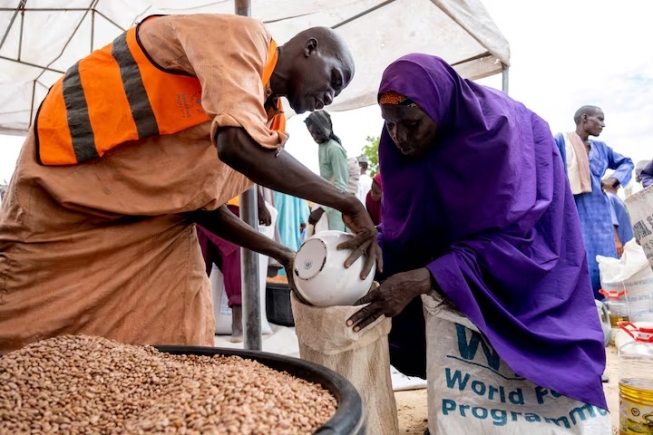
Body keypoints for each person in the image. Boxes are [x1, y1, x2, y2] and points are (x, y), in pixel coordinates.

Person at [0, 14, 380, 354]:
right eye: (334, 78)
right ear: (309, 48)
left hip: (151, 229)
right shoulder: (242, 39)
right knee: (30, 329)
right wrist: (348, 202)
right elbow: (236, 145)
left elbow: (203, 208)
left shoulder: (270, 125)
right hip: (65, 198)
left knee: (182, 330)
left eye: (339, 92)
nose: (329, 96)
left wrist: (284, 255)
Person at [344, 54, 607, 414]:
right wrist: (380, 238)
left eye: (410, 124)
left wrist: (426, 277)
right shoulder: (402, 143)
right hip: (479, 239)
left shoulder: (495, 135)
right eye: (389, 125)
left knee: (531, 332)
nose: (400, 138)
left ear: (438, 107)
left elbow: (513, 237)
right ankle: (469, 408)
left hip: (522, 233)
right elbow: (416, 221)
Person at [553, 106, 634, 297]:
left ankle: (606, 305)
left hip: (601, 218)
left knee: (606, 263)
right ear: (585, 118)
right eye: (600, 119)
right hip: (573, 212)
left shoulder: (602, 149)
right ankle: (580, 308)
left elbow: (627, 162)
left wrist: (614, 178)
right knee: (576, 259)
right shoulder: (561, 142)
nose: (603, 124)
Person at [197, 187, 272, 342]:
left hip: (231, 211)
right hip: (201, 206)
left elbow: (246, 174)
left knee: (236, 264)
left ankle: (237, 325)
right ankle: (196, 323)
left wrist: (260, 204)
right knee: (198, 266)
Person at [305, 110, 350, 232]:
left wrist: (321, 209)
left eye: (318, 132)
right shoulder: (322, 146)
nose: (315, 136)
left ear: (326, 127)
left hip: (335, 209)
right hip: (326, 203)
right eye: (312, 133)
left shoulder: (334, 149)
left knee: (335, 245)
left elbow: (341, 185)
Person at [603, 176, 634, 255]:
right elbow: (610, 220)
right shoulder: (609, 197)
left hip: (628, 242)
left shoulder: (617, 198)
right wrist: (616, 241)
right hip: (620, 243)